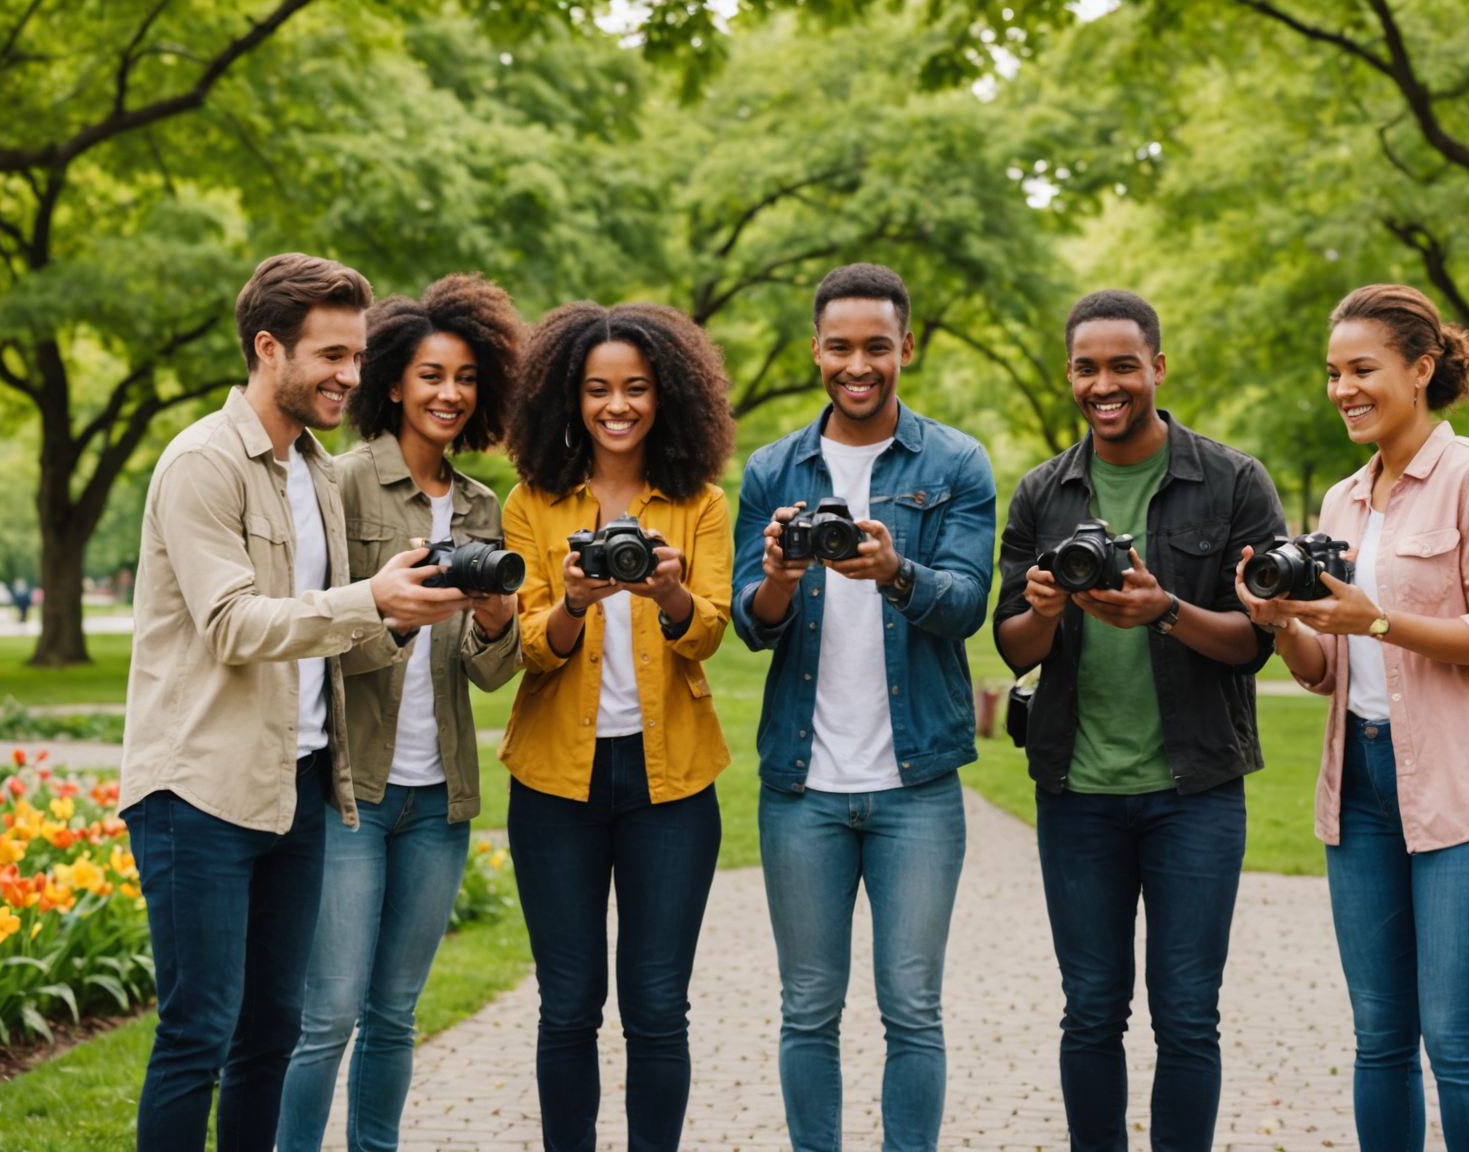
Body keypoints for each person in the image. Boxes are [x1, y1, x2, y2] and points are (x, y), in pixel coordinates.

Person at [118, 254, 475, 1152]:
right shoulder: (203, 462)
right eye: (330, 356)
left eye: (356, 357)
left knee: (271, 1034)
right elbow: (234, 625)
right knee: (199, 1033)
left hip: (300, 786)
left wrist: (401, 620)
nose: (350, 378)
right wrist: (371, 602)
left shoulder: (314, 470)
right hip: (199, 791)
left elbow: (323, 632)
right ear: (268, 348)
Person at [1238, 283, 1469, 1152]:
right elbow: (1324, 670)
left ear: (1421, 370)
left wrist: (1374, 617)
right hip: (1364, 789)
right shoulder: (1342, 500)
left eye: (1362, 369)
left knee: (1458, 1043)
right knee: (1379, 1043)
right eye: (1333, 373)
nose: (1343, 389)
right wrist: (1285, 624)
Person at [992, 289, 1287, 1151]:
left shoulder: (1234, 480)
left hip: (1194, 791)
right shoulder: (1044, 491)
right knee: (1090, 1011)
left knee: (1188, 1015)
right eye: (1087, 368)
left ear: (1158, 367)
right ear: (1071, 376)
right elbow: (1014, 648)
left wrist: (1166, 612)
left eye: (1124, 365)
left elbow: (1255, 644)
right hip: (1077, 792)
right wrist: (1046, 606)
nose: (1105, 384)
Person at [730, 263, 996, 1152]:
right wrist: (776, 578)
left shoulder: (955, 461)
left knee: (912, 1009)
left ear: (905, 349)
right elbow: (752, 627)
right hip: (801, 786)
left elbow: (965, 607)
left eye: (876, 346)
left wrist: (895, 572)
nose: (858, 364)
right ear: (816, 351)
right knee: (808, 1009)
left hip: (915, 784)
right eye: (840, 346)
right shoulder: (773, 469)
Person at [275, 275, 528, 1152]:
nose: (448, 394)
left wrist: (496, 623)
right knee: (330, 1012)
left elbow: (491, 672)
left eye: (463, 377)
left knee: (395, 1013)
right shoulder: (338, 486)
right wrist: (391, 614)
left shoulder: (485, 508)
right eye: (429, 375)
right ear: (391, 382)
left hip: (439, 802)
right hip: (355, 792)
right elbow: (317, 633)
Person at [498, 300, 737, 1152]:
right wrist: (572, 602)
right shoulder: (530, 504)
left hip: (670, 785)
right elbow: (527, 648)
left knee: (657, 1006)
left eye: (636, 388)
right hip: (554, 784)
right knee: (567, 1004)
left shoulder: (700, 504)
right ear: (570, 398)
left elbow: (710, 629)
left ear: (667, 394)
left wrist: (667, 591)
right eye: (598, 390)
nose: (618, 406)